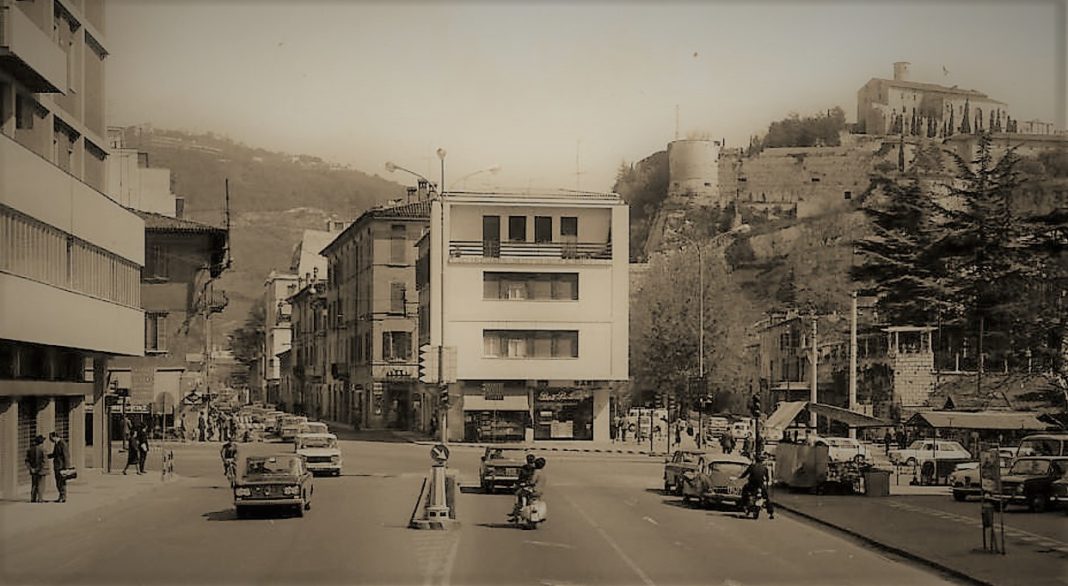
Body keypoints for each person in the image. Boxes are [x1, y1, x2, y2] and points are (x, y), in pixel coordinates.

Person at [739, 454, 774, 519]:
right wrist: (766, 486)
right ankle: (770, 513)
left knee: (744, 490)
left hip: (751, 485)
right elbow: (767, 478)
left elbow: (745, 474)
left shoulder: (752, 466)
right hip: (760, 485)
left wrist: (739, 477)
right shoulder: (765, 468)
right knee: (766, 498)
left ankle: (743, 505)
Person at [25, 435, 48, 503]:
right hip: (41, 470)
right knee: (41, 484)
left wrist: (31, 468)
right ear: (42, 442)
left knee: (34, 484)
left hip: (33, 470)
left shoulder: (30, 450)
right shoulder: (43, 450)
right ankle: (40, 498)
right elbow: (43, 462)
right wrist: (38, 469)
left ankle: (33, 498)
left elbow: (27, 460)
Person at [48, 432, 69, 503]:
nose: (50, 440)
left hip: (61, 466)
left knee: (61, 481)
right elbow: (55, 454)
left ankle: (63, 497)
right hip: (57, 465)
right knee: (58, 481)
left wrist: (66, 467)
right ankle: (61, 496)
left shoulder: (62, 443)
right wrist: (46, 456)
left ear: (55, 436)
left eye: (51, 438)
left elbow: (66, 456)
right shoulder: (57, 444)